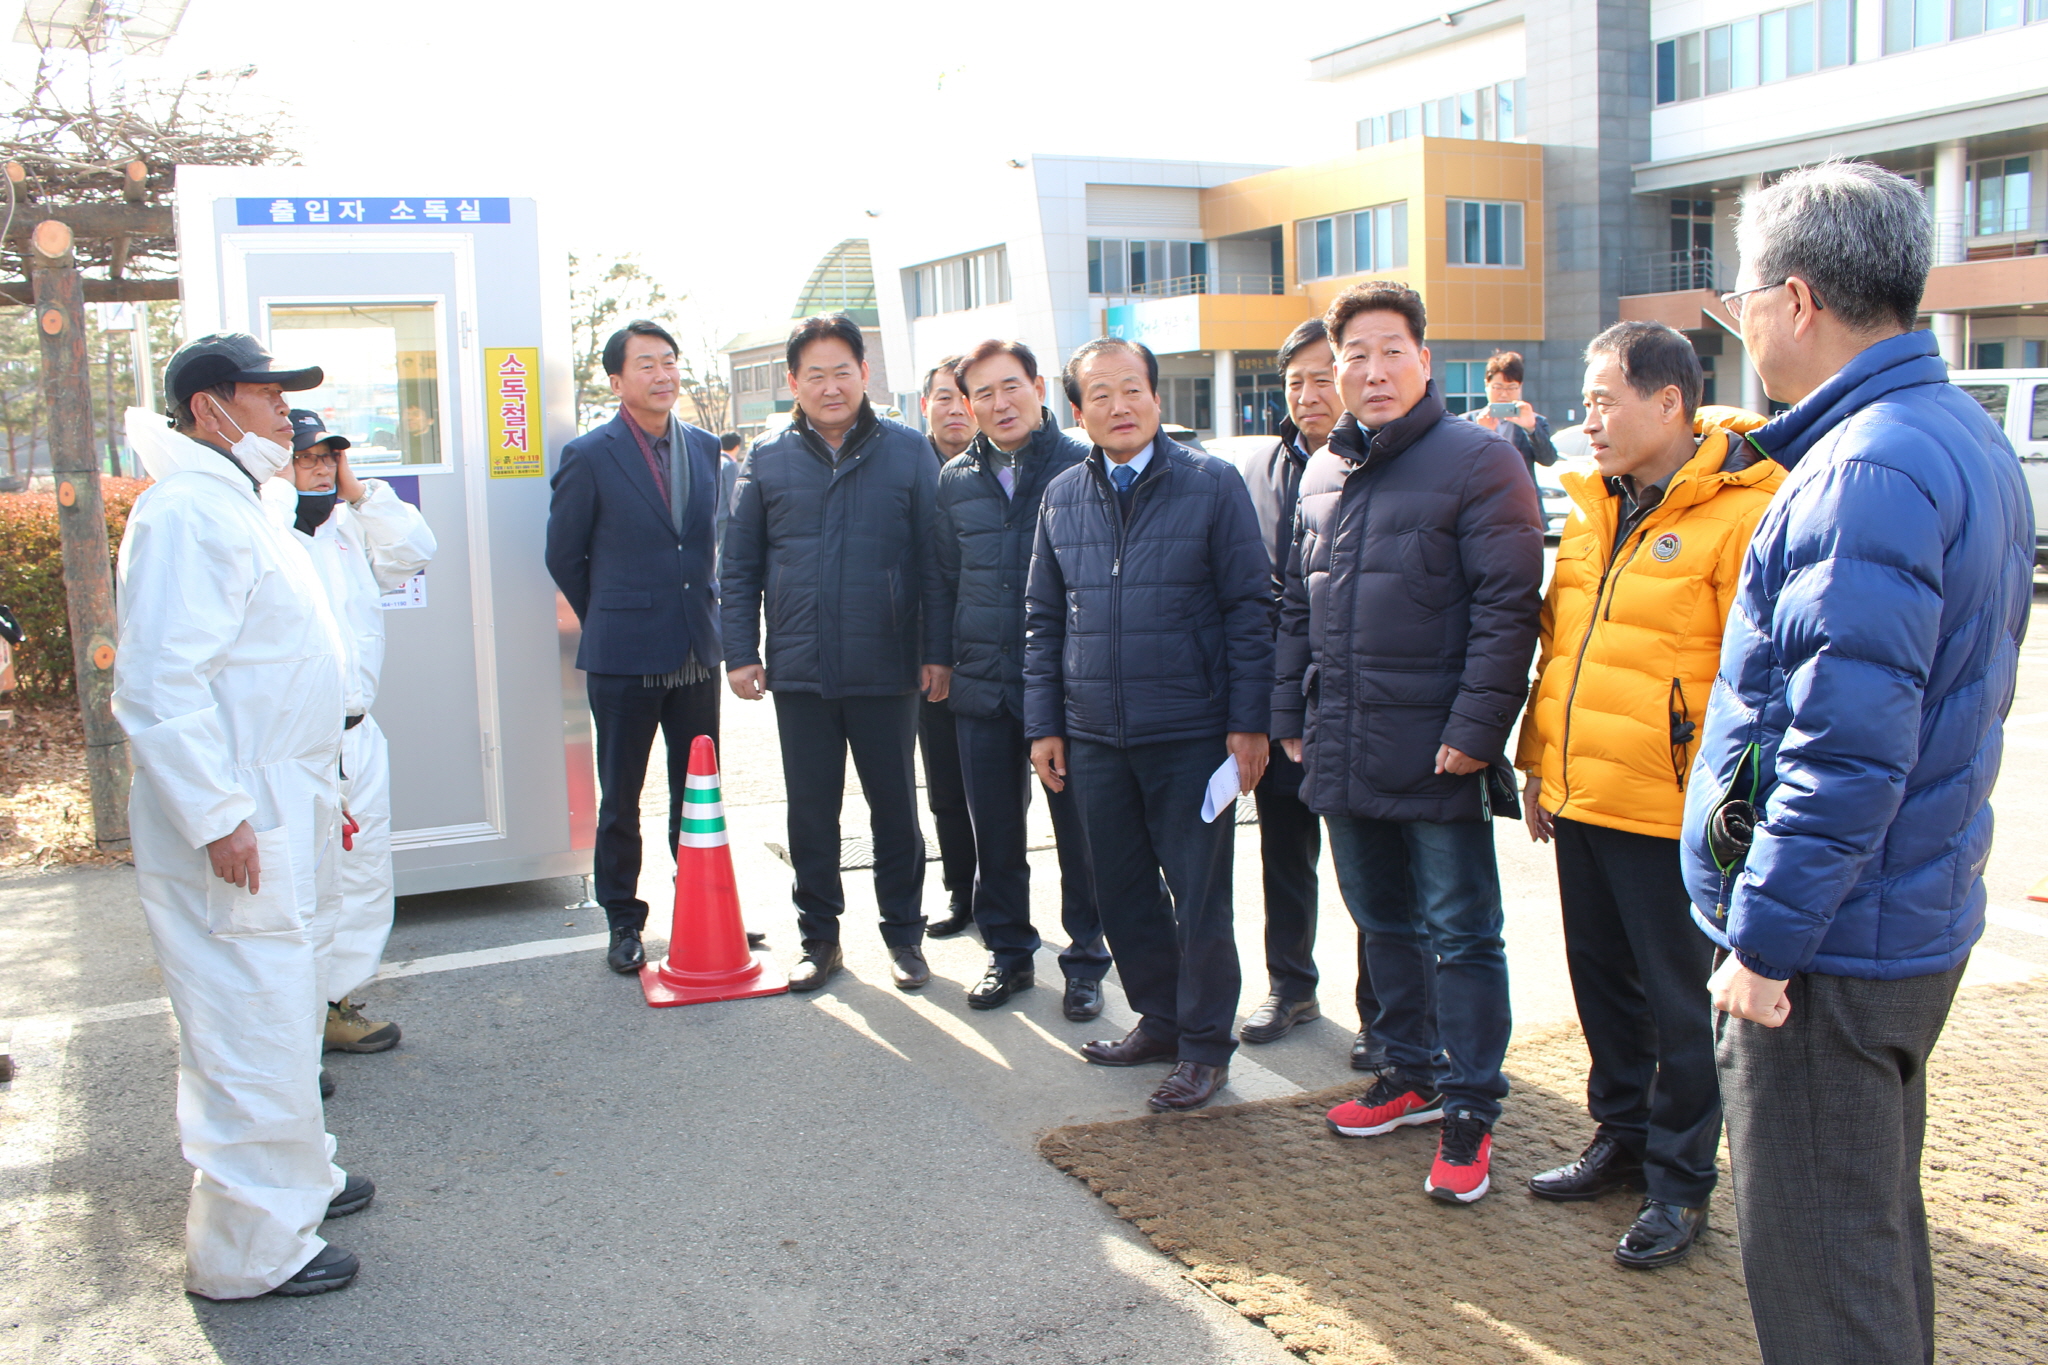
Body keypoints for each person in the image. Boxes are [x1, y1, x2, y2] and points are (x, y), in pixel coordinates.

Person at [1683, 159, 2033, 1364]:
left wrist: (1764, 943)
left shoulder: (1863, 467)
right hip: (1897, 911)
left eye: (1737, 302)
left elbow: (1843, 746)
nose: (1741, 330)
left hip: (1830, 941)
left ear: (1793, 299)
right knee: (1867, 1243)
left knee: (1824, 1273)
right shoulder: (1954, 436)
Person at [1516, 322, 1781, 1268]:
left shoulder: (1745, 509)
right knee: (1603, 990)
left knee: (1680, 1008)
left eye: (1601, 401)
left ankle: (1679, 1182)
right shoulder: (1594, 507)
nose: (1584, 421)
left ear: (1669, 402)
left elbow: (1762, 684)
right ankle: (1619, 1138)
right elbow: (1564, 651)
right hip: (1586, 793)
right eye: (1584, 403)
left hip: (1675, 812)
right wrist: (1540, 760)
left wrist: (1731, 817)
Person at [1276, 282, 1542, 1204]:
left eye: (1392, 350)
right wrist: (1289, 718)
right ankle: (1409, 1071)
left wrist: (1477, 731)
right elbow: (1293, 608)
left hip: (1437, 749)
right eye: (1357, 353)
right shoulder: (1322, 470)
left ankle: (1470, 1104)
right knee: (1381, 922)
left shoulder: (1480, 461)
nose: (1373, 370)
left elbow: (1510, 611)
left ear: (1426, 360)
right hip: (1343, 742)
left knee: (1462, 933)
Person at [113, 334, 368, 1298]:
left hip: (281, 792)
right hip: (237, 807)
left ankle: (299, 1182)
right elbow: (159, 683)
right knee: (248, 1014)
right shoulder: (187, 511)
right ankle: (250, 1248)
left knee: (286, 999)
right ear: (211, 407)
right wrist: (219, 813)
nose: (283, 416)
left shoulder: (236, 501)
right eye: (267, 397)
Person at [1025, 337, 1274, 1113]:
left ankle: (1206, 1048)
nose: (1118, 406)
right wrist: (1046, 725)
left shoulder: (1211, 483)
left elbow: (1248, 608)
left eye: (1131, 389)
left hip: (1193, 732)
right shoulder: (1063, 494)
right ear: (1077, 411)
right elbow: (1041, 619)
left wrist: (1248, 721)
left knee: (1200, 896)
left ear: (1157, 399)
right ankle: (1160, 1021)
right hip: (1095, 733)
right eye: (1099, 394)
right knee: (1122, 888)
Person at [722, 313, 951, 993]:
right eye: (814, 374)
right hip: (800, 669)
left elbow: (936, 564)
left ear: (864, 374)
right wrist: (740, 650)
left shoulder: (910, 452)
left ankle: (905, 937)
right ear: (792, 381)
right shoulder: (766, 458)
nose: (829, 386)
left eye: (841, 371)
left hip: (890, 664)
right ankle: (819, 938)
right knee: (811, 811)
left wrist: (935, 651)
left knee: (895, 810)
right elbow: (738, 567)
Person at [546, 321, 732, 975]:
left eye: (669, 362)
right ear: (617, 380)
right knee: (620, 798)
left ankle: (706, 910)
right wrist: (613, 614)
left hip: (694, 651)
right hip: (623, 654)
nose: (662, 374)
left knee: (699, 791)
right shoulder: (590, 454)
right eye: (646, 364)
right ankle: (623, 920)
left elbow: (707, 548)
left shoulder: (707, 449)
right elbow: (563, 554)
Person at [936, 340, 1110, 1016]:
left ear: (1038, 387)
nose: (999, 403)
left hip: (1064, 689)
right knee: (996, 833)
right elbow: (941, 579)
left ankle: (1088, 958)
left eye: (1011, 386)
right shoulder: (955, 478)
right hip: (982, 686)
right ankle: (1008, 954)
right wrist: (939, 660)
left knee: (1081, 834)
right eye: (982, 393)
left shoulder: (1080, 464)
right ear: (966, 404)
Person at [1228, 317, 1381, 1065]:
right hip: (1282, 696)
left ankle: (1382, 1012)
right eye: (1295, 381)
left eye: (1323, 376)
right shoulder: (1260, 468)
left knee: (1371, 867)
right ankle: (1291, 984)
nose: (1309, 394)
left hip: (1359, 701)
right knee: (1285, 852)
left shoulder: (1381, 458)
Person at [267, 410, 437, 1058]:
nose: (317, 469)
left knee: (360, 875)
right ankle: (291, 1033)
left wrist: (358, 491)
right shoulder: (265, 532)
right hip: (296, 743)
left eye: (326, 459)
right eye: (305, 457)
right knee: (299, 887)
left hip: (358, 735)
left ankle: (334, 1003)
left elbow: (414, 548)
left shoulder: (346, 527)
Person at [915, 359, 980, 939]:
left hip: (1001, 657)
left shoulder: (999, 467)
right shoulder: (908, 467)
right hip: (931, 658)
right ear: (925, 407)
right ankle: (963, 892)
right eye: (943, 398)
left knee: (1007, 791)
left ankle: (1009, 895)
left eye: (965, 397)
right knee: (945, 789)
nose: (955, 408)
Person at [1467, 351, 1556, 485]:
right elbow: (1461, 466)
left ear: (1520, 388)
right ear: (1487, 385)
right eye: (1498, 387)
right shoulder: (1467, 421)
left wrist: (1531, 428)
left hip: (1521, 500)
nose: (1504, 394)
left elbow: (1548, 460)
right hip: (1482, 499)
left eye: (1511, 388)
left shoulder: (1534, 420)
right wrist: (1482, 434)